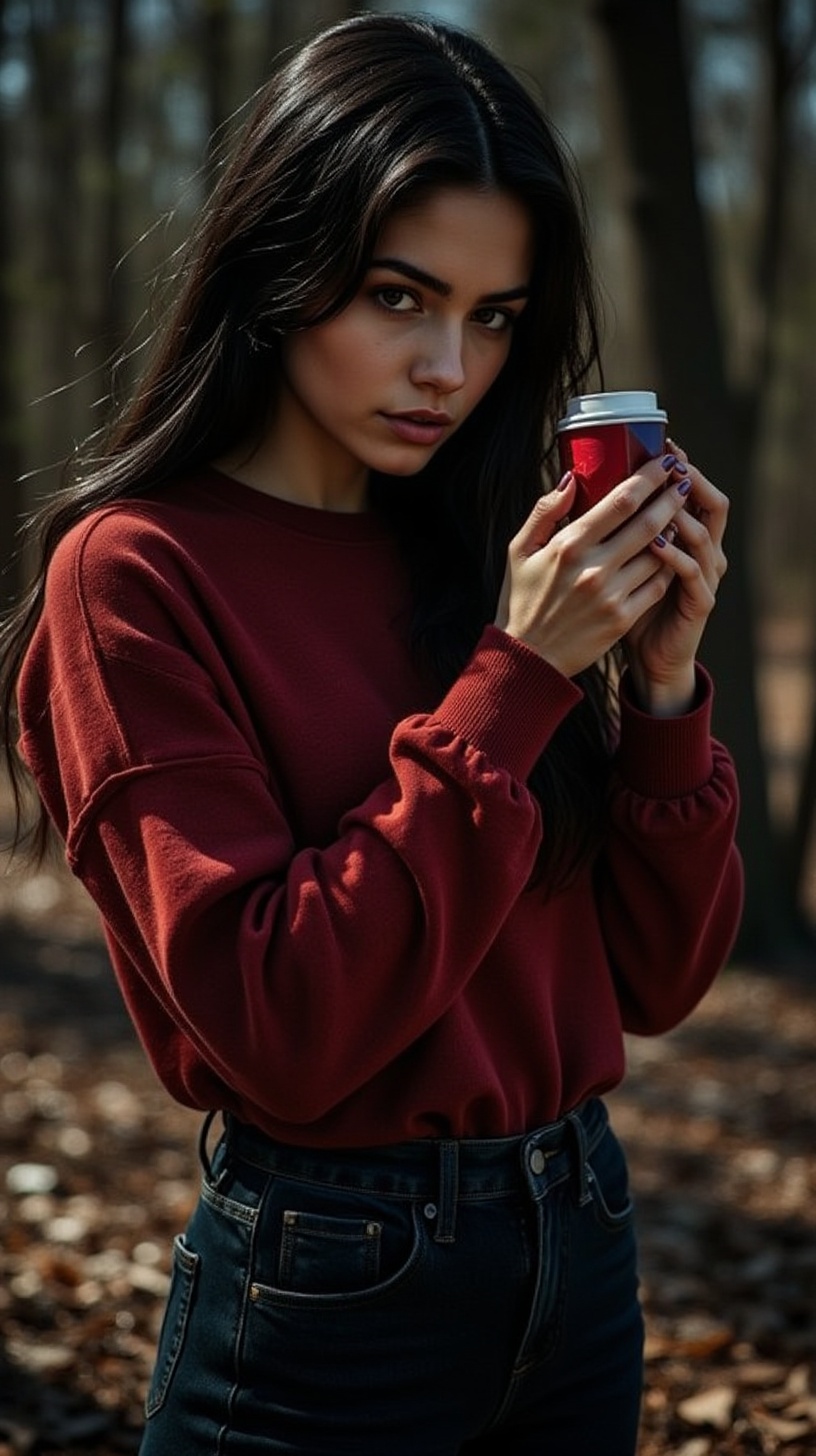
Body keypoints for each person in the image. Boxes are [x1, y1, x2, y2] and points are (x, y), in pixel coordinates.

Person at [0, 11, 743, 1454]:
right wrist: (520, 671)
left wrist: (658, 692)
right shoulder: (135, 573)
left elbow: (653, 982)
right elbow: (285, 1028)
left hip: (580, 1245)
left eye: (494, 316)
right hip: (329, 1288)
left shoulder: (478, 546)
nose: (448, 370)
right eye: (400, 297)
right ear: (282, 270)